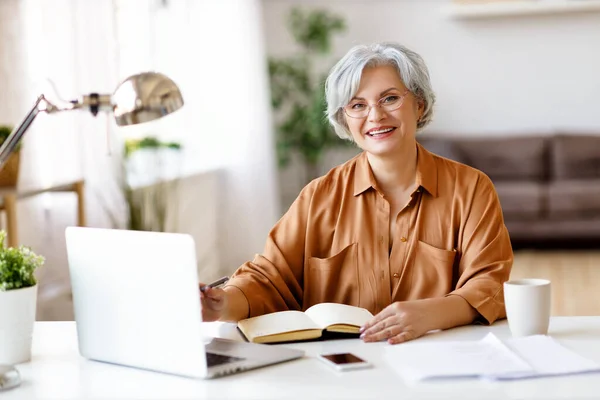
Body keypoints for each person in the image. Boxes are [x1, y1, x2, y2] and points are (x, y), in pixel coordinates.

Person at [200, 42, 513, 345]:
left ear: (419, 104)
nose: (375, 116)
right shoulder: (318, 197)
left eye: (390, 98)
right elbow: (267, 278)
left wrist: (431, 314)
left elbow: (491, 283)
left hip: (442, 357)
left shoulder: (471, 189)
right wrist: (222, 303)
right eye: (357, 105)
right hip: (342, 368)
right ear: (345, 121)